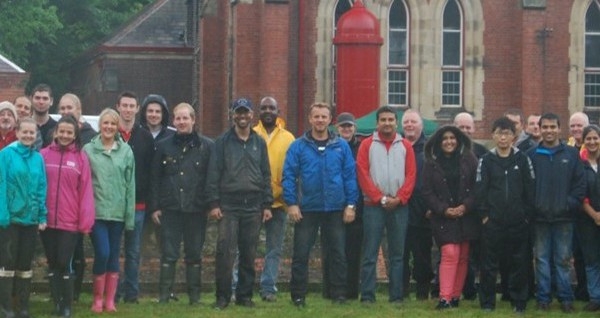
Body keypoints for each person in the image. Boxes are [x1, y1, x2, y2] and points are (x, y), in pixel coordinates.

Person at [282, 102, 358, 307]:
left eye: (324, 117)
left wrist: (351, 204)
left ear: (330, 120)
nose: (320, 120)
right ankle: (298, 296)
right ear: (310, 119)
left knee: (338, 254)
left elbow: (350, 176)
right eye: (316, 116)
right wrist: (291, 203)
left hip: (335, 208)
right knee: (300, 255)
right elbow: (288, 175)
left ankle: (339, 295)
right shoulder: (298, 146)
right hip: (307, 208)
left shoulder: (341, 146)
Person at [207, 98, 273, 310]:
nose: (242, 116)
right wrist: (214, 203)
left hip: (253, 204)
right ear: (232, 114)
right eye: (238, 112)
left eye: (246, 112)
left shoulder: (259, 142)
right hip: (229, 204)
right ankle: (223, 297)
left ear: (252, 115)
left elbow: (266, 174)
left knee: (249, 252)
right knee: (225, 252)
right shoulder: (222, 142)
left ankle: (244, 296)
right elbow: (213, 174)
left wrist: (267, 204)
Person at [150, 103, 215, 305]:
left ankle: (194, 298)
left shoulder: (207, 146)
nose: (181, 122)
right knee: (169, 254)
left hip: (196, 209)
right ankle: (163, 297)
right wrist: (155, 206)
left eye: (185, 118)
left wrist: (211, 204)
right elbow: (155, 179)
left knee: (194, 255)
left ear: (194, 120)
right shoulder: (163, 146)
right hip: (171, 209)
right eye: (178, 118)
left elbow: (211, 178)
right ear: (173, 121)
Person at [475, 117, 536, 313]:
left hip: (518, 222)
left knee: (519, 262)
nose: (503, 137)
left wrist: (526, 215)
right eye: (499, 133)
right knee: (489, 264)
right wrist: (484, 215)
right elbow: (480, 189)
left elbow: (530, 189)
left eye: (507, 133)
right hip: (492, 222)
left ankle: (519, 301)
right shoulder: (486, 160)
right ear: (493, 135)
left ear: (514, 137)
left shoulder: (523, 159)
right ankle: (487, 303)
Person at [357, 106, 416, 304]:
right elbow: (363, 174)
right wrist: (379, 198)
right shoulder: (366, 144)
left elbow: (411, 175)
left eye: (391, 119)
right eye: (383, 120)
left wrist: (399, 198)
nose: (387, 123)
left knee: (397, 255)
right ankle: (367, 296)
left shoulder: (406, 146)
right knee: (370, 254)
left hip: (399, 206)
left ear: (396, 123)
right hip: (373, 206)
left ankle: (396, 296)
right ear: (377, 123)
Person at [527, 112, 585, 313]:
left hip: (564, 218)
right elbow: (527, 186)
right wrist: (535, 206)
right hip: (540, 218)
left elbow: (580, 185)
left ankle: (565, 298)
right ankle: (543, 298)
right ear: (540, 129)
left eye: (553, 127)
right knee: (541, 259)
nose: (549, 131)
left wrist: (567, 204)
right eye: (545, 127)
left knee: (562, 260)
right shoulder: (532, 155)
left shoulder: (571, 154)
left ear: (560, 129)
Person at [40, 115, 95, 317]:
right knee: (52, 262)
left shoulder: (81, 158)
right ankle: (56, 302)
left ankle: (66, 305)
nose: (64, 135)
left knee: (64, 262)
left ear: (74, 135)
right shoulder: (43, 155)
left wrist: (85, 220)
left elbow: (86, 191)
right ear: (56, 132)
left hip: (69, 221)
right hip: (46, 220)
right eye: (61, 131)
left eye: (69, 132)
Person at [83, 108, 135, 313]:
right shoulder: (88, 150)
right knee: (102, 253)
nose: (109, 127)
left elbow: (130, 185)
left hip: (117, 212)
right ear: (99, 125)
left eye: (113, 124)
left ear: (117, 127)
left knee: (114, 256)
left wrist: (129, 217)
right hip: (96, 213)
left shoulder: (126, 151)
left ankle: (110, 300)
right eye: (105, 123)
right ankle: (97, 298)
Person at [422, 125, 479, 310]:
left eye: (452, 138)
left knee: (462, 255)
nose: (449, 142)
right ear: (439, 142)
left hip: (466, 215)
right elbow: (427, 192)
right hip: (443, 217)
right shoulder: (431, 163)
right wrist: (443, 209)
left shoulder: (469, 159)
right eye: (445, 138)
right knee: (450, 253)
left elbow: (477, 187)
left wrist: (465, 206)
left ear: (459, 140)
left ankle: (455, 296)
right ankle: (444, 298)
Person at [0, 117, 47, 318]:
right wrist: (3, 215)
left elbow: (41, 188)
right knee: (7, 264)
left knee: (25, 265)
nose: (28, 135)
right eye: (25, 132)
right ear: (17, 133)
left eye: (32, 132)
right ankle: (6, 306)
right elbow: (1, 185)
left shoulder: (38, 158)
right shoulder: (5, 155)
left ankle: (23, 305)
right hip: (10, 220)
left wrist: (42, 216)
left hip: (30, 220)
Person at [253, 96, 295, 302]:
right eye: (263, 107)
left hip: (279, 203)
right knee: (245, 247)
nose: (267, 110)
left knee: (274, 249)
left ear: (279, 111)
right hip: (253, 203)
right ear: (258, 112)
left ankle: (268, 287)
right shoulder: (251, 134)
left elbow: (293, 171)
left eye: (271, 107)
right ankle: (238, 285)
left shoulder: (289, 138)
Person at [56, 93, 97, 302]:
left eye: (69, 108)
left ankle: (75, 293)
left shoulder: (91, 135)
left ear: (79, 110)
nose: (65, 112)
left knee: (77, 252)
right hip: (58, 206)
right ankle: (61, 294)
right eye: (62, 108)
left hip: (79, 203)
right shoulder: (55, 135)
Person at [114, 91, 155, 304]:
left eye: (132, 106)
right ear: (118, 107)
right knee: (113, 251)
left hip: (138, 205)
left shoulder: (145, 136)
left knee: (133, 252)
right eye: (125, 105)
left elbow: (151, 171)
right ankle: (113, 293)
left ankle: (131, 294)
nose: (128, 110)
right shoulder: (110, 133)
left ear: (137, 109)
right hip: (113, 205)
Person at [322, 111, 363, 300]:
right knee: (332, 249)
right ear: (337, 128)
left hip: (357, 204)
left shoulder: (362, 147)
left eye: (349, 126)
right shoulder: (330, 145)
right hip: (334, 205)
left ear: (355, 128)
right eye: (343, 126)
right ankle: (330, 290)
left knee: (353, 250)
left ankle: (352, 291)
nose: (346, 129)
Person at [451, 112, 487, 301]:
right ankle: (453, 289)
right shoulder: (446, 151)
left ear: (473, 128)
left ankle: (472, 291)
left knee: (474, 254)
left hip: (475, 212)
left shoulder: (481, 152)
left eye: (467, 127)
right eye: (460, 127)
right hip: (451, 212)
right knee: (453, 253)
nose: (464, 131)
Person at [401, 109, 434, 300]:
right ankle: (401, 292)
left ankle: (423, 293)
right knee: (400, 255)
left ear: (421, 126)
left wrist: (432, 206)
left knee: (422, 255)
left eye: (413, 122)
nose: (410, 125)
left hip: (423, 211)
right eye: (406, 122)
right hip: (400, 209)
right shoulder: (397, 145)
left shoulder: (430, 148)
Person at [567, 111, 590, 302]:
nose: (575, 129)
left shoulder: (592, 149)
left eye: (579, 126)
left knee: (589, 253)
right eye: (573, 126)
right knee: (576, 253)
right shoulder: (566, 148)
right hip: (571, 210)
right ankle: (581, 290)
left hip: (590, 211)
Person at [579, 125, 600, 312]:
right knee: (591, 259)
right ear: (584, 141)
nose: (592, 142)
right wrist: (594, 215)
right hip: (587, 220)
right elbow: (580, 193)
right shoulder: (580, 165)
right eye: (589, 139)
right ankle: (595, 297)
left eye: (595, 138)